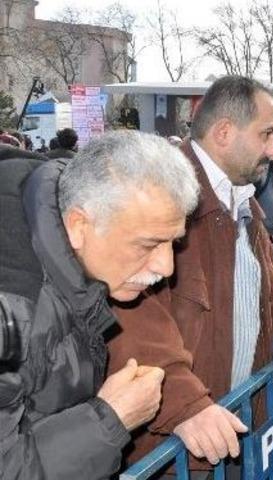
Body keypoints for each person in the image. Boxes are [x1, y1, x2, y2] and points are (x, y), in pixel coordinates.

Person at [106, 76, 273, 471]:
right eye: (266, 134)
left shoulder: (240, 201)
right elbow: (130, 315)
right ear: (224, 132)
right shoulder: (159, 198)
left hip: (227, 426)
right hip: (178, 447)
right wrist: (187, 405)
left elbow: (266, 283)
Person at [0, 131, 201, 479]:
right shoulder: (13, 309)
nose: (166, 267)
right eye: (148, 244)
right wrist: (111, 418)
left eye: (172, 243)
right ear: (79, 225)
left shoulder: (63, 238)